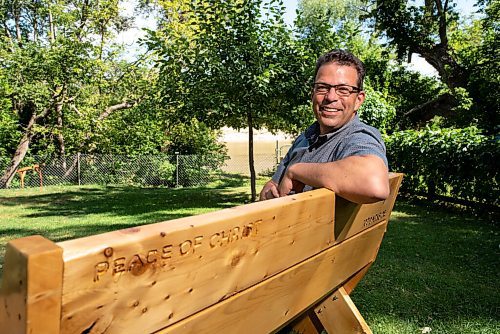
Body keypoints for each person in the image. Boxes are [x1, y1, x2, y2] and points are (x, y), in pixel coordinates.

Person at [259, 49, 390, 204]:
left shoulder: (358, 137)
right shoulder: (306, 137)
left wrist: (296, 171)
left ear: (358, 100)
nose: (331, 97)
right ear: (312, 93)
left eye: (343, 90)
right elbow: (274, 183)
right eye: (322, 87)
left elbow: (374, 185)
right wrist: (269, 189)